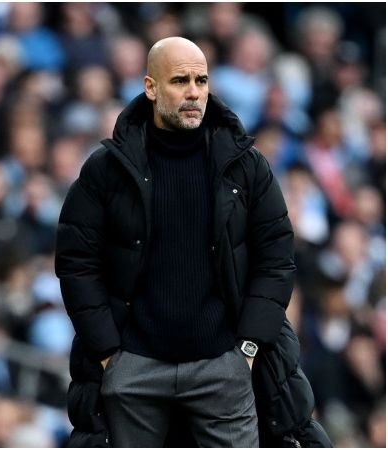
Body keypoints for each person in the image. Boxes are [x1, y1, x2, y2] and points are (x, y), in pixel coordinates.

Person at [56, 37, 295, 447]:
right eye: (180, 80)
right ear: (151, 88)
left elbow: (276, 257)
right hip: (134, 370)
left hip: (224, 367)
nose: (193, 93)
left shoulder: (246, 165)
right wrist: (110, 353)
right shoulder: (106, 169)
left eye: (201, 81)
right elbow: (77, 262)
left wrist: (248, 349)